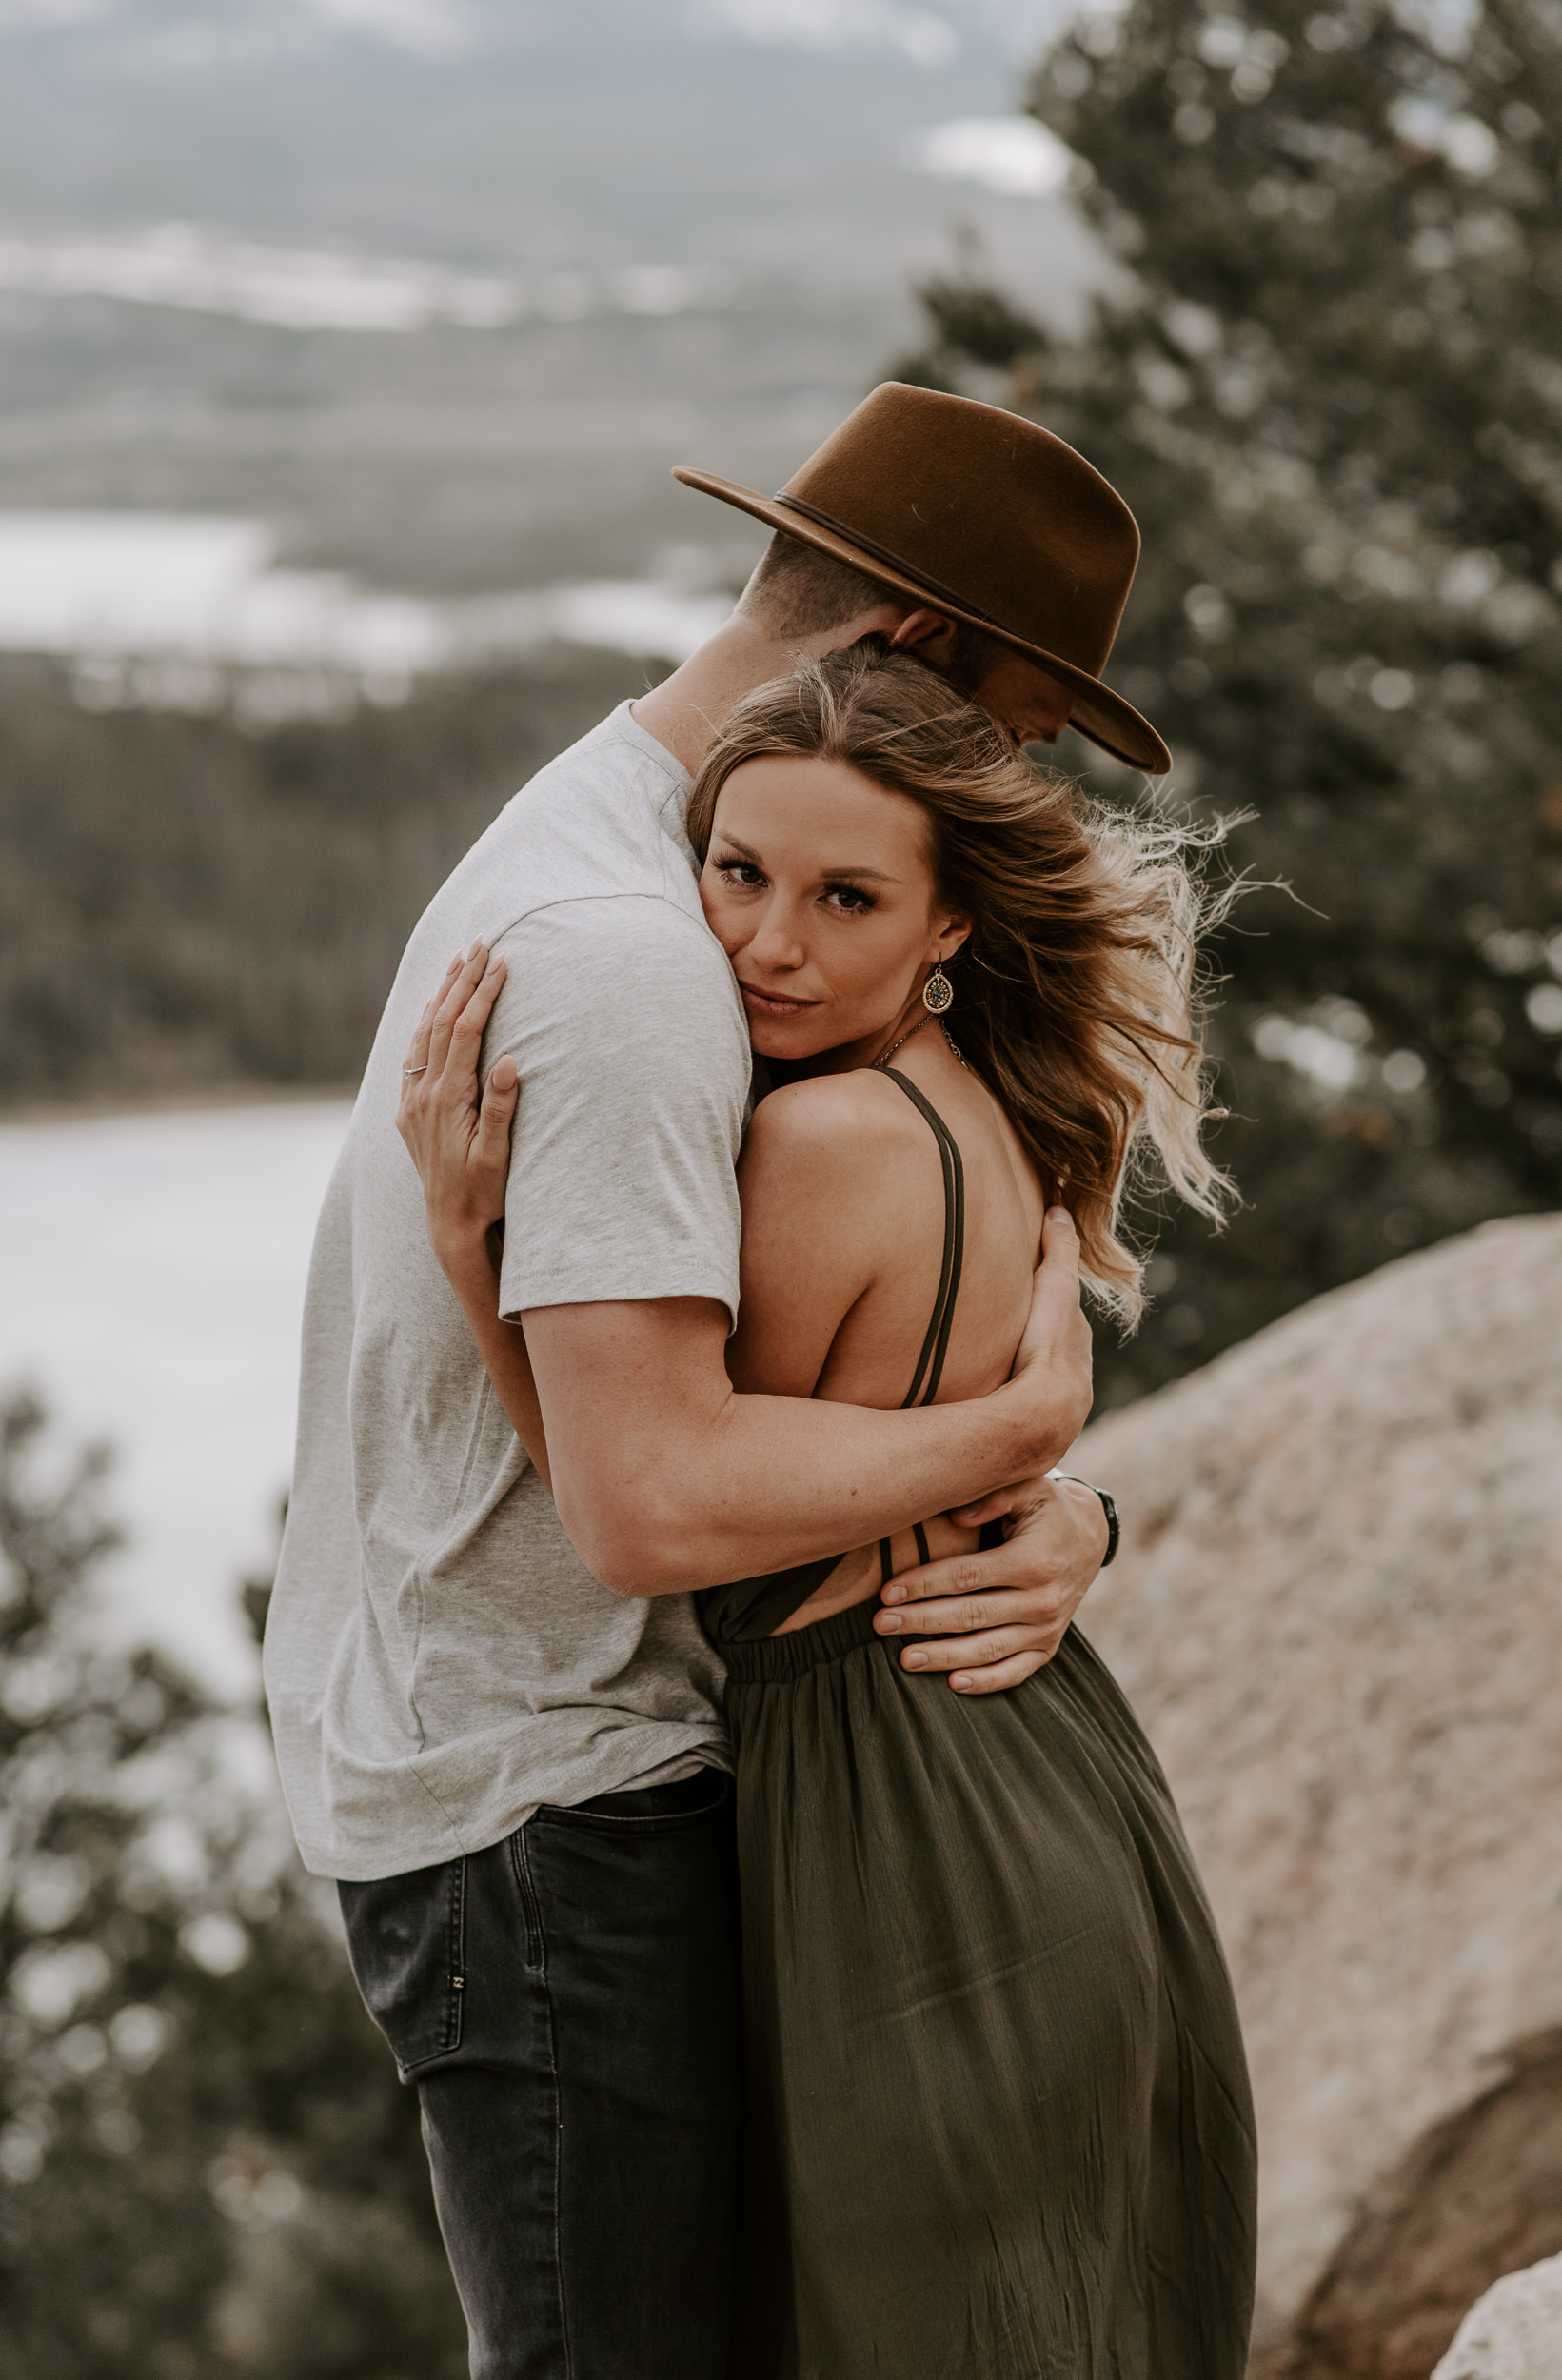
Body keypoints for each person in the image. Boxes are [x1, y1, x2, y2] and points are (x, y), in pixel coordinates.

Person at [262, 384, 1172, 2377]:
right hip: (547, 1810)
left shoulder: (645, 847)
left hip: (604, 1779)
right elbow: (654, 1499)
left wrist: (1065, 1504)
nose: (1007, 790)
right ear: (905, 657)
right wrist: (1023, 1431)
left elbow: (827, 1337)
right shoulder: (630, 957)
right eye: (1008, 729)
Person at [402, 643, 1256, 2378]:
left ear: (946, 930)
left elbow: (639, 1508)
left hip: (905, 1826)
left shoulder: (821, 1146)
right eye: (735, 873)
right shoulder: (988, 1107)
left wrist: (471, 1259)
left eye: (844, 896)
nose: (765, 943)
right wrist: (1047, 1459)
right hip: (1031, 1774)